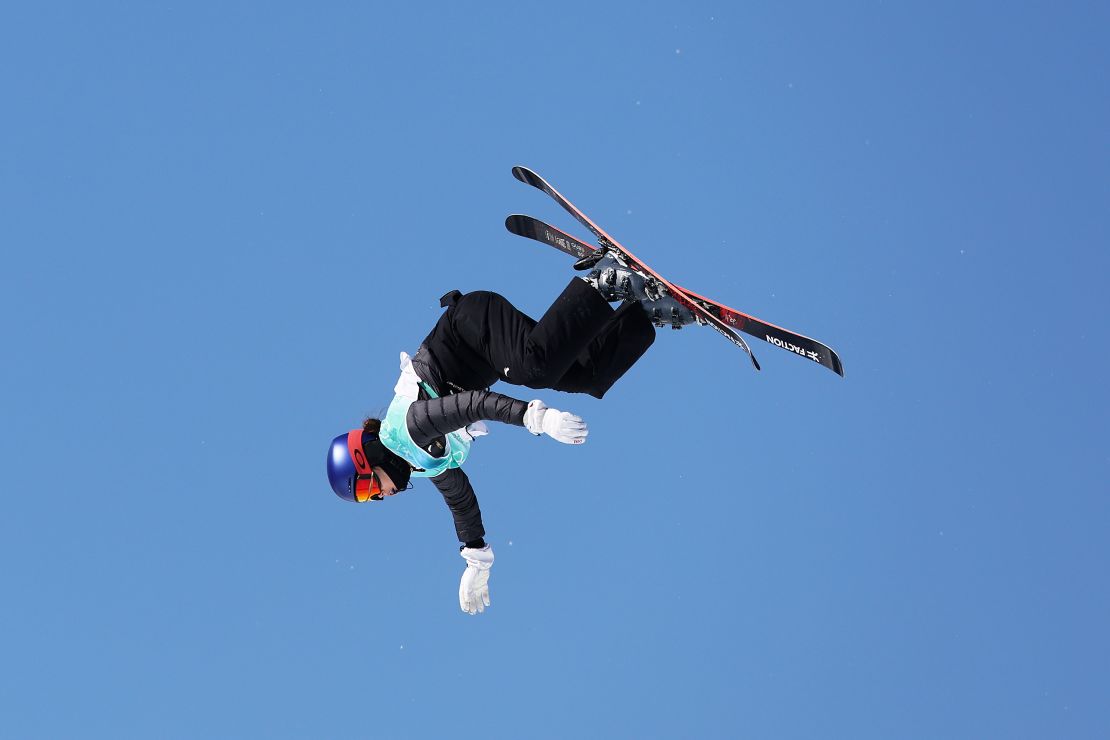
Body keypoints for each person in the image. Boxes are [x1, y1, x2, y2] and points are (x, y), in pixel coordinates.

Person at [326, 252, 696, 614]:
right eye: (368, 498)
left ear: (369, 456)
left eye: (367, 487)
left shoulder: (410, 427)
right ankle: (645, 312)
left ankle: (601, 282)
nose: (381, 496)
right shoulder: (421, 460)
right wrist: (476, 560)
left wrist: (536, 419)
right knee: (588, 376)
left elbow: (473, 405)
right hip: (490, 352)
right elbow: (460, 501)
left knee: (536, 369)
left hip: (471, 325)